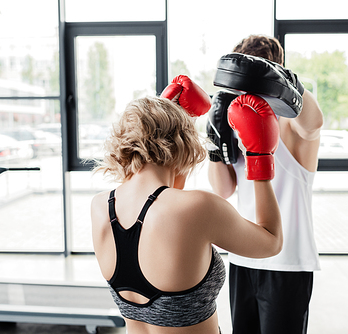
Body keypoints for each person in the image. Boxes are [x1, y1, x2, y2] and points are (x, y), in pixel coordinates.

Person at [91, 75, 284, 334]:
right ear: (182, 145)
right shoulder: (199, 207)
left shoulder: (100, 206)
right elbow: (271, 242)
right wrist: (258, 159)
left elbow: (162, 193)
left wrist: (157, 117)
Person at [207, 35, 324, 334]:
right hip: (244, 256)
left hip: (287, 262)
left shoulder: (292, 124)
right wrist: (214, 144)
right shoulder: (237, 123)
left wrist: (284, 83)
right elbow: (223, 190)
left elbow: (314, 124)